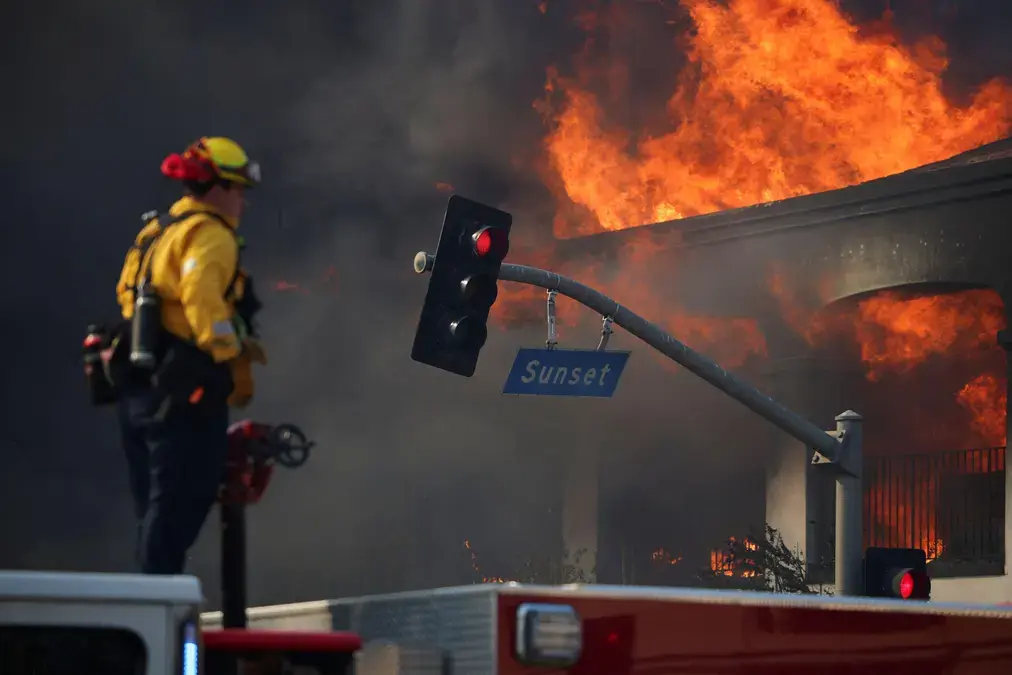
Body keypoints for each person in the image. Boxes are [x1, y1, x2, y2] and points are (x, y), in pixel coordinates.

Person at [114, 137, 267, 574]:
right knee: (182, 502)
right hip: (184, 393)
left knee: (155, 509)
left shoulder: (157, 231)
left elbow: (128, 295)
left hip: (139, 390)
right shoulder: (211, 235)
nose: (242, 201)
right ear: (216, 187)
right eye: (237, 189)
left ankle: (153, 598)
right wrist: (227, 349)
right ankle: (159, 610)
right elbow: (201, 296)